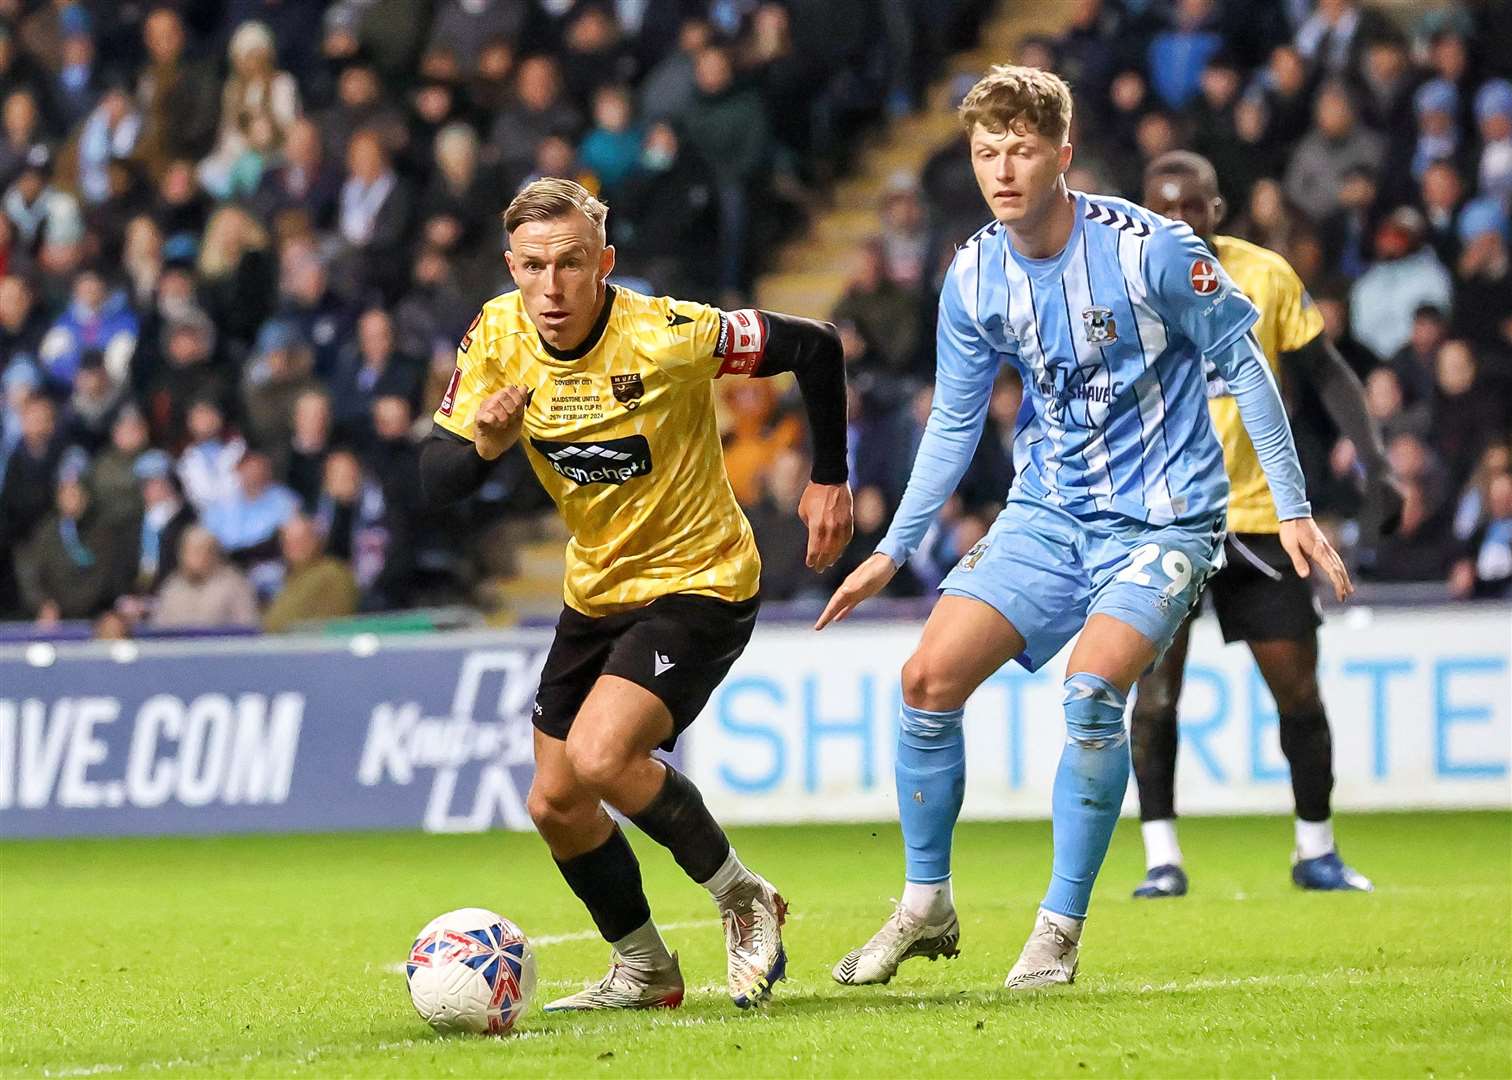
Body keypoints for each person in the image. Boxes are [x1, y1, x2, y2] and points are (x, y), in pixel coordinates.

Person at [820, 66, 1352, 992]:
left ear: (1062, 154)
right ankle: (925, 906)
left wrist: (1294, 507)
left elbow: (1247, 364)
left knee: (1092, 690)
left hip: (1168, 518)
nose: (1002, 169)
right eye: (987, 152)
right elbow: (953, 420)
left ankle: (1057, 931)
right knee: (925, 678)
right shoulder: (975, 272)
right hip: (1049, 512)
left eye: (1022, 149)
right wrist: (891, 548)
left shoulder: (1152, 250)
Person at [419, 178, 852, 1011]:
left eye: (572, 264)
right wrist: (485, 445)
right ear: (511, 268)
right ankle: (645, 967)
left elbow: (819, 346)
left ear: (605, 265)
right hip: (598, 589)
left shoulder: (668, 334)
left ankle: (742, 898)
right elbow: (432, 480)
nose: (552, 286)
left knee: (602, 756)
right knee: (555, 801)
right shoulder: (497, 335)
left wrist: (828, 479)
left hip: (702, 579)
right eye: (535, 266)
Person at [1129, 151, 1402, 899]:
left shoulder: (1266, 276)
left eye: (1193, 208)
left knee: (1299, 695)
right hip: (1161, 525)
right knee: (1154, 699)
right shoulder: (1118, 285)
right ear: (1146, 213)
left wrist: (1376, 461)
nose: (1179, 221)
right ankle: (1162, 860)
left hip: (1260, 523)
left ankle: (1316, 850)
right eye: (1164, 209)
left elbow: (1329, 373)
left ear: (1219, 212)